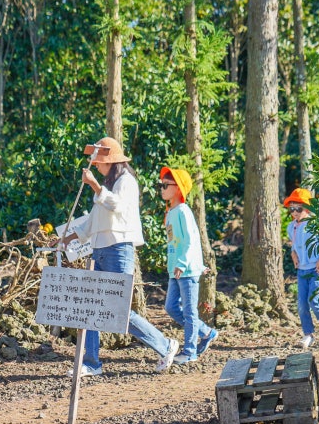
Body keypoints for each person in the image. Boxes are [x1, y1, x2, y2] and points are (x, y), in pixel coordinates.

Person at [61, 137, 179, 376]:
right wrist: (66, 239)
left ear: (112, 162)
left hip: (118, 249)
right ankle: (91, 362)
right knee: (91, 306)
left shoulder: (126, 182)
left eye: (100, 162)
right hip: (101, 249)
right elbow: (95, 219)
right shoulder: (108, 184)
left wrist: (95, 186)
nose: (95, 165)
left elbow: (117, 207)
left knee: (119, 309)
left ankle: (165, 345)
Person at [158, 167, 219, 364]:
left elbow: (192, 239)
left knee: (190, 312)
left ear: (178, 189)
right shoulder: (171, 212)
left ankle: (190, 351)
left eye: (165, 185)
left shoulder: (184, 211)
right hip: (175, 270)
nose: (161, 188)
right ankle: (206, 332)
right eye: (161, 184)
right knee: (171, 308)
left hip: (187, 270)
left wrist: (184, 264)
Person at [284, 188, 319, 349]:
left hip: (316, 269)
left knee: (315, 299)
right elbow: (294, 245)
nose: (294, 212)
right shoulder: (291, 227)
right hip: (302, 270)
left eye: (298, 209)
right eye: (292, 209)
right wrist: (293, 254)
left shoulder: (316, 224)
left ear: (307, 209)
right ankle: (308, 334)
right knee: (301, 304)